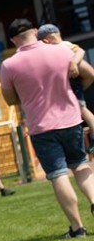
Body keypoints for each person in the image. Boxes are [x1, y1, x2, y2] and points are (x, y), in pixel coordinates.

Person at [1, 19, 94, 238]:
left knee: (58, 174)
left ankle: (77, 228)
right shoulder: (61, 51)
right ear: (35, 31)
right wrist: (73, 93)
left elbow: (10, 100)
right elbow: (90, 73)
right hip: (71, 119)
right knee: (81, 165)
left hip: (41, 126)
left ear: (13, 40)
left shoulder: (9, 65)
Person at [36, 23, 94, 153]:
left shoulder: (63, 46)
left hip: (73, 83)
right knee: (79, 111)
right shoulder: (61, 46)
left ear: (47, 40)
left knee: (82, 109)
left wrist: (74, 63)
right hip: (69, 84)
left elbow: (80, 51)